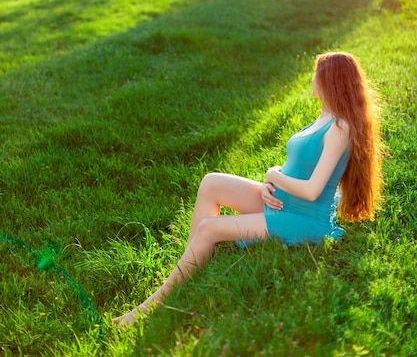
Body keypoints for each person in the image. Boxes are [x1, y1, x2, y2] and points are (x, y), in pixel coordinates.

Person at [113, 51, 383, 326]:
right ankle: (190, 263)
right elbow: (301, 166)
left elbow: (313, 190)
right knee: (211, 183)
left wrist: (274, 177)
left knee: (210, 227)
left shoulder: (340, 127)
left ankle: (155, 303)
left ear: (329, 80)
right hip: (281, 201)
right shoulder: (324, 118)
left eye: (316, 72)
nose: (312, 78)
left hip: (304, 219)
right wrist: (272, 178)